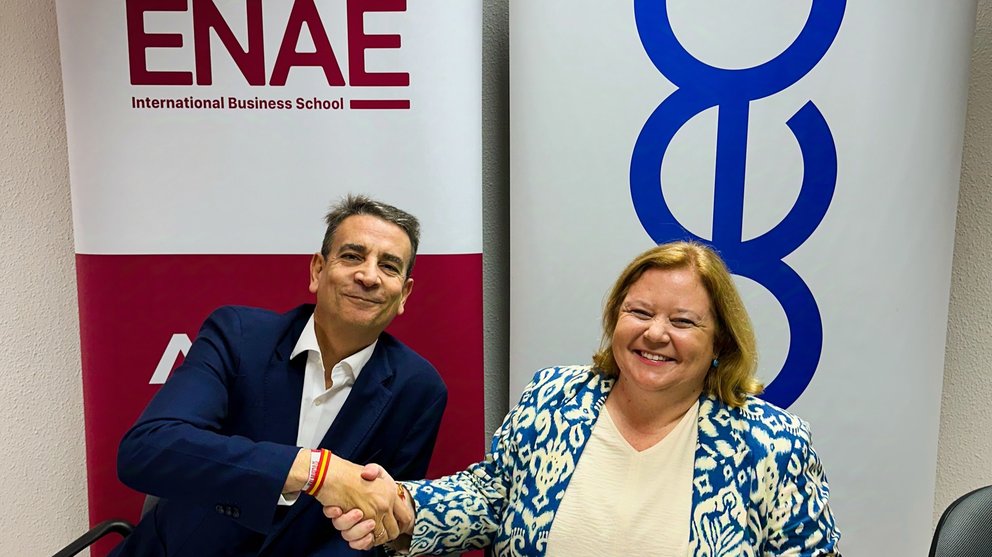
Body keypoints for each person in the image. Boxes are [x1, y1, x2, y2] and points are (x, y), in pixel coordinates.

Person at [328, 241, 841, 556]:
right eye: (639, 313)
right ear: (615, 319)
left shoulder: (771, 442)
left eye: (683, 321)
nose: (655, 334)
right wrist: (400, 507)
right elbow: (490, 499)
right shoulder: (554, 397)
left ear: (720, 343)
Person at [110, 194, 448, 556]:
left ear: (404, 294)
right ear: (318, 270)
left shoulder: (418, 389)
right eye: (352, 256)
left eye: (389, 266)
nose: (368, 276)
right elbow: (146, 450)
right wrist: (316, 471)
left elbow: (376, 533)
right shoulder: (238, 336)